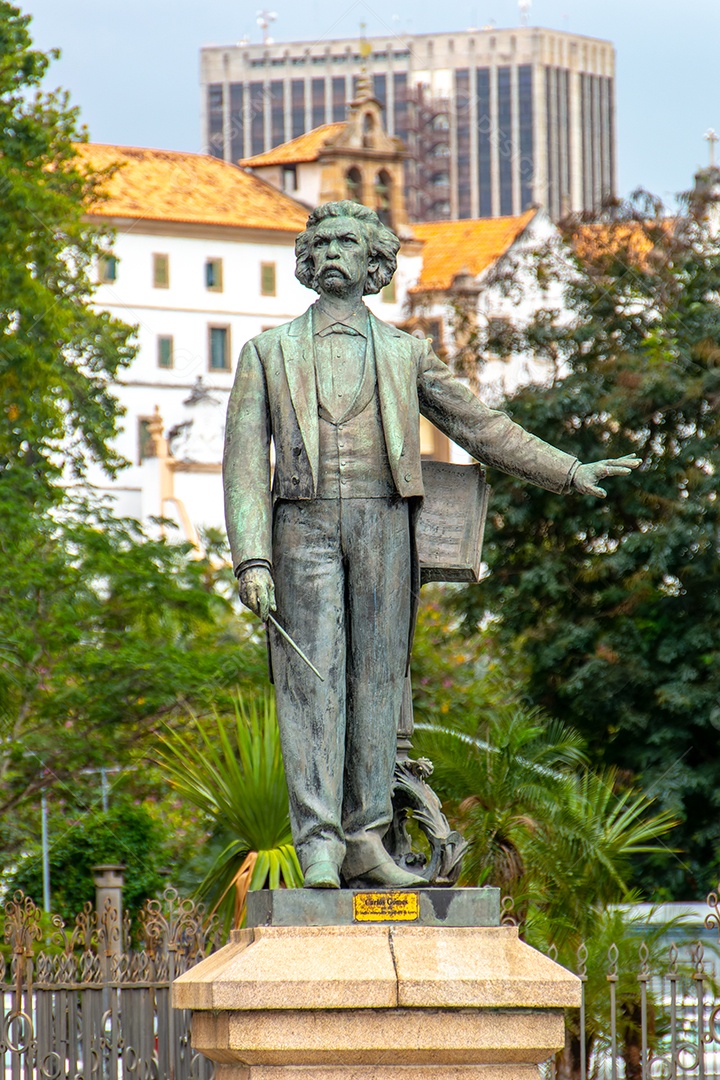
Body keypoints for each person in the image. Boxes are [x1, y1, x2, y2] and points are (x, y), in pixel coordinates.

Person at [223, 201, 639, 890]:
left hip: (386, 524)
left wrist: (568, 470)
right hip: (301, 527)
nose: (332, 252)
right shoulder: (267, 353)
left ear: (374, 263)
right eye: (321, 242)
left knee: (379, 686)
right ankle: (319, 843)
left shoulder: (404, 353)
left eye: (348, 242)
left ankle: (366, 839)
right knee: (310, 686)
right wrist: (253, 560)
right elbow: (242, 464)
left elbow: (481, 426)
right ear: (306, 259)